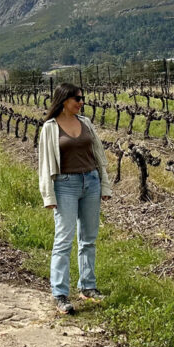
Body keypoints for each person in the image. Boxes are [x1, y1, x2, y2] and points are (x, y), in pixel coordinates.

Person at [37, 82, 112, 315]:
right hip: (65, 185)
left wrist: (104, 184)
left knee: (88, 238)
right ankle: (60, 293)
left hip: (90, 181)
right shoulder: (50, 128)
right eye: (77, 99)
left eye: (82, 99)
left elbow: (99, 156)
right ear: (63, 100)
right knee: (64, 239)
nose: (81, 102)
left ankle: (87, 286)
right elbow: (44, 164)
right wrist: (48, 194)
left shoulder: (86, 123)